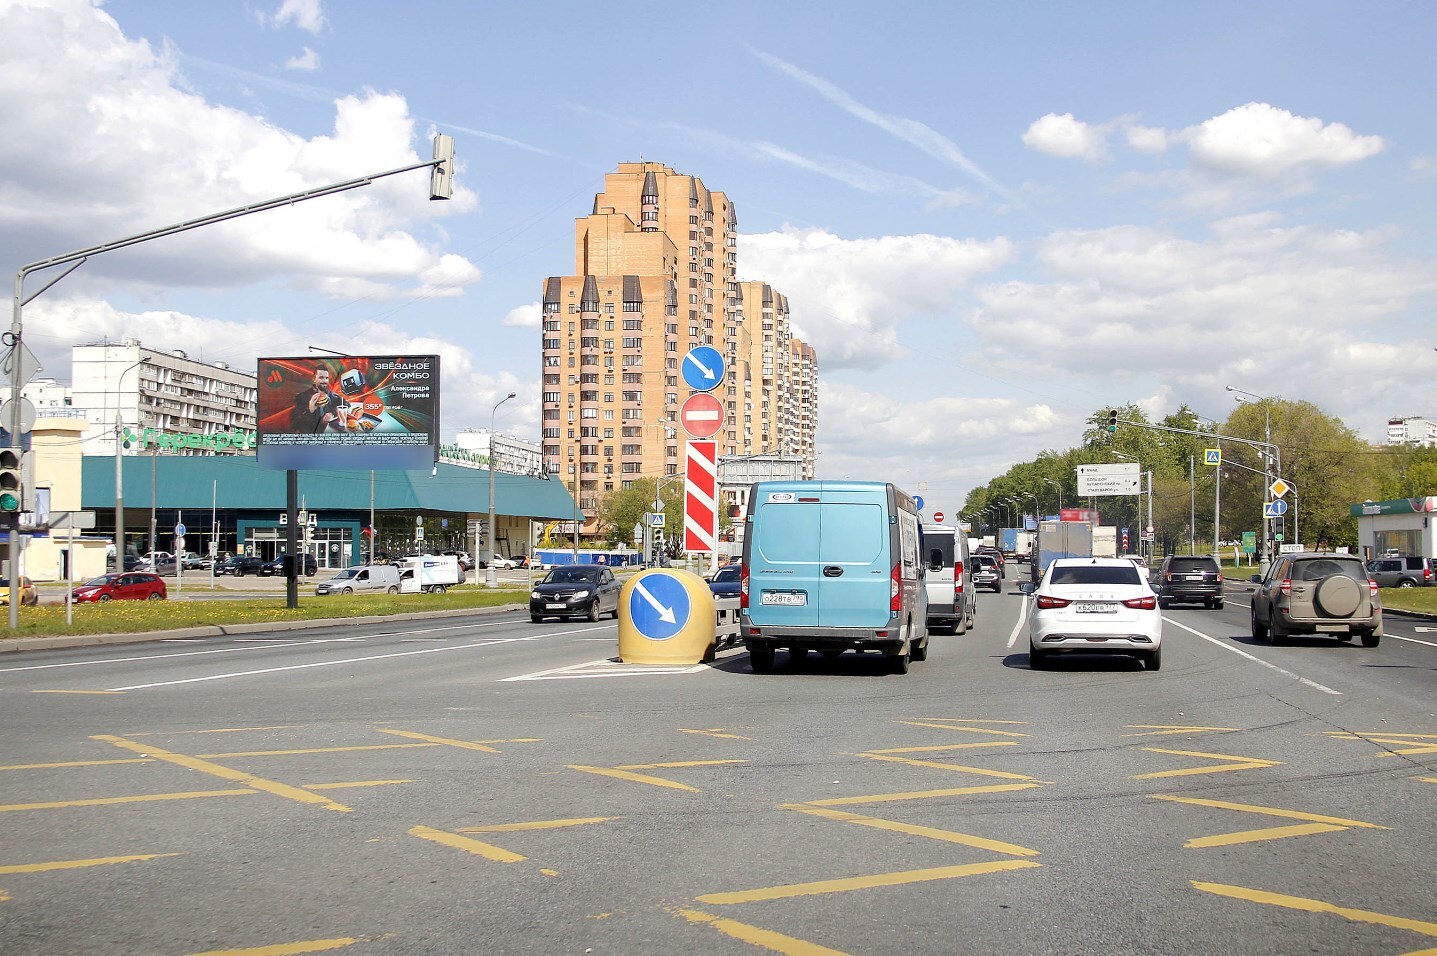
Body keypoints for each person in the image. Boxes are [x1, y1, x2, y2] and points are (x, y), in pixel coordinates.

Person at [291, 367, 348, 433]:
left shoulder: (332, 395)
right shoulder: (302, 397)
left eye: (326, 378)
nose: (325, 381)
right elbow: (296, 425)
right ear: (314, 379)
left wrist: (333, 412)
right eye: (321, 377)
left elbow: (346, 404)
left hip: (332, 434)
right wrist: (310, 410)